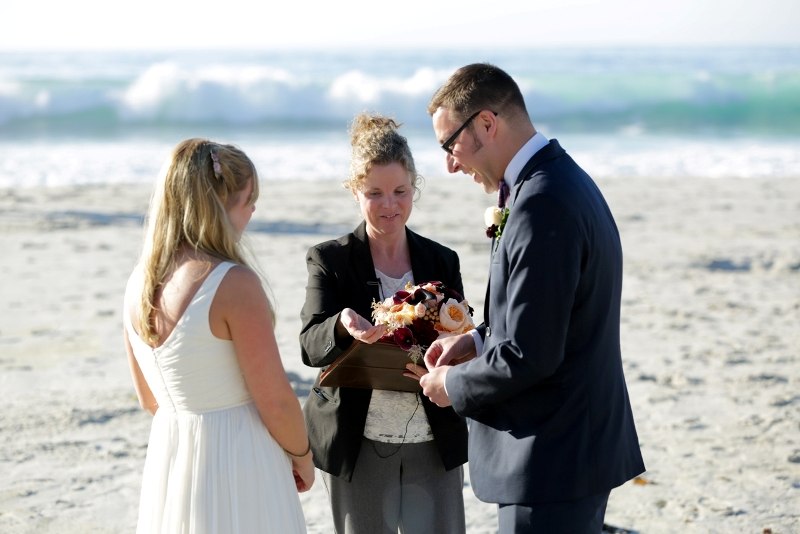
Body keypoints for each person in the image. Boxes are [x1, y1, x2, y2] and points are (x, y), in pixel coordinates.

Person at [417, 63, 646, 533]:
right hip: (572, 447)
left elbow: (530, 354)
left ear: (486, 123)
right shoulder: (559, 180)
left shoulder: (541, 204)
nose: (450, 163)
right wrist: (477, 343)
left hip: (552, 456)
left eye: (449, 144)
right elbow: (546, 314)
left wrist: (452, 387)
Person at [123, 138, 313, 533]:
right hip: (239, 457)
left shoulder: (139, 282)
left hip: (173, 458)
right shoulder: (233, 284)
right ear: (218, 208)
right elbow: (275, 400)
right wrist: (302, 455)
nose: (254, 210)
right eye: (247, 200)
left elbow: (148, 398)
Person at [300, 113, 468, 533]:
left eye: (400, 191)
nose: (389, 204)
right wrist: (342, 323)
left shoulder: (442, 260)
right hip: (359, 444)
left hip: (434, 440)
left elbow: (465, 336)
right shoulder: (330, 260)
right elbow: (309, 345)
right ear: (355, 191)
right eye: (374, 193)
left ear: (415, 188)